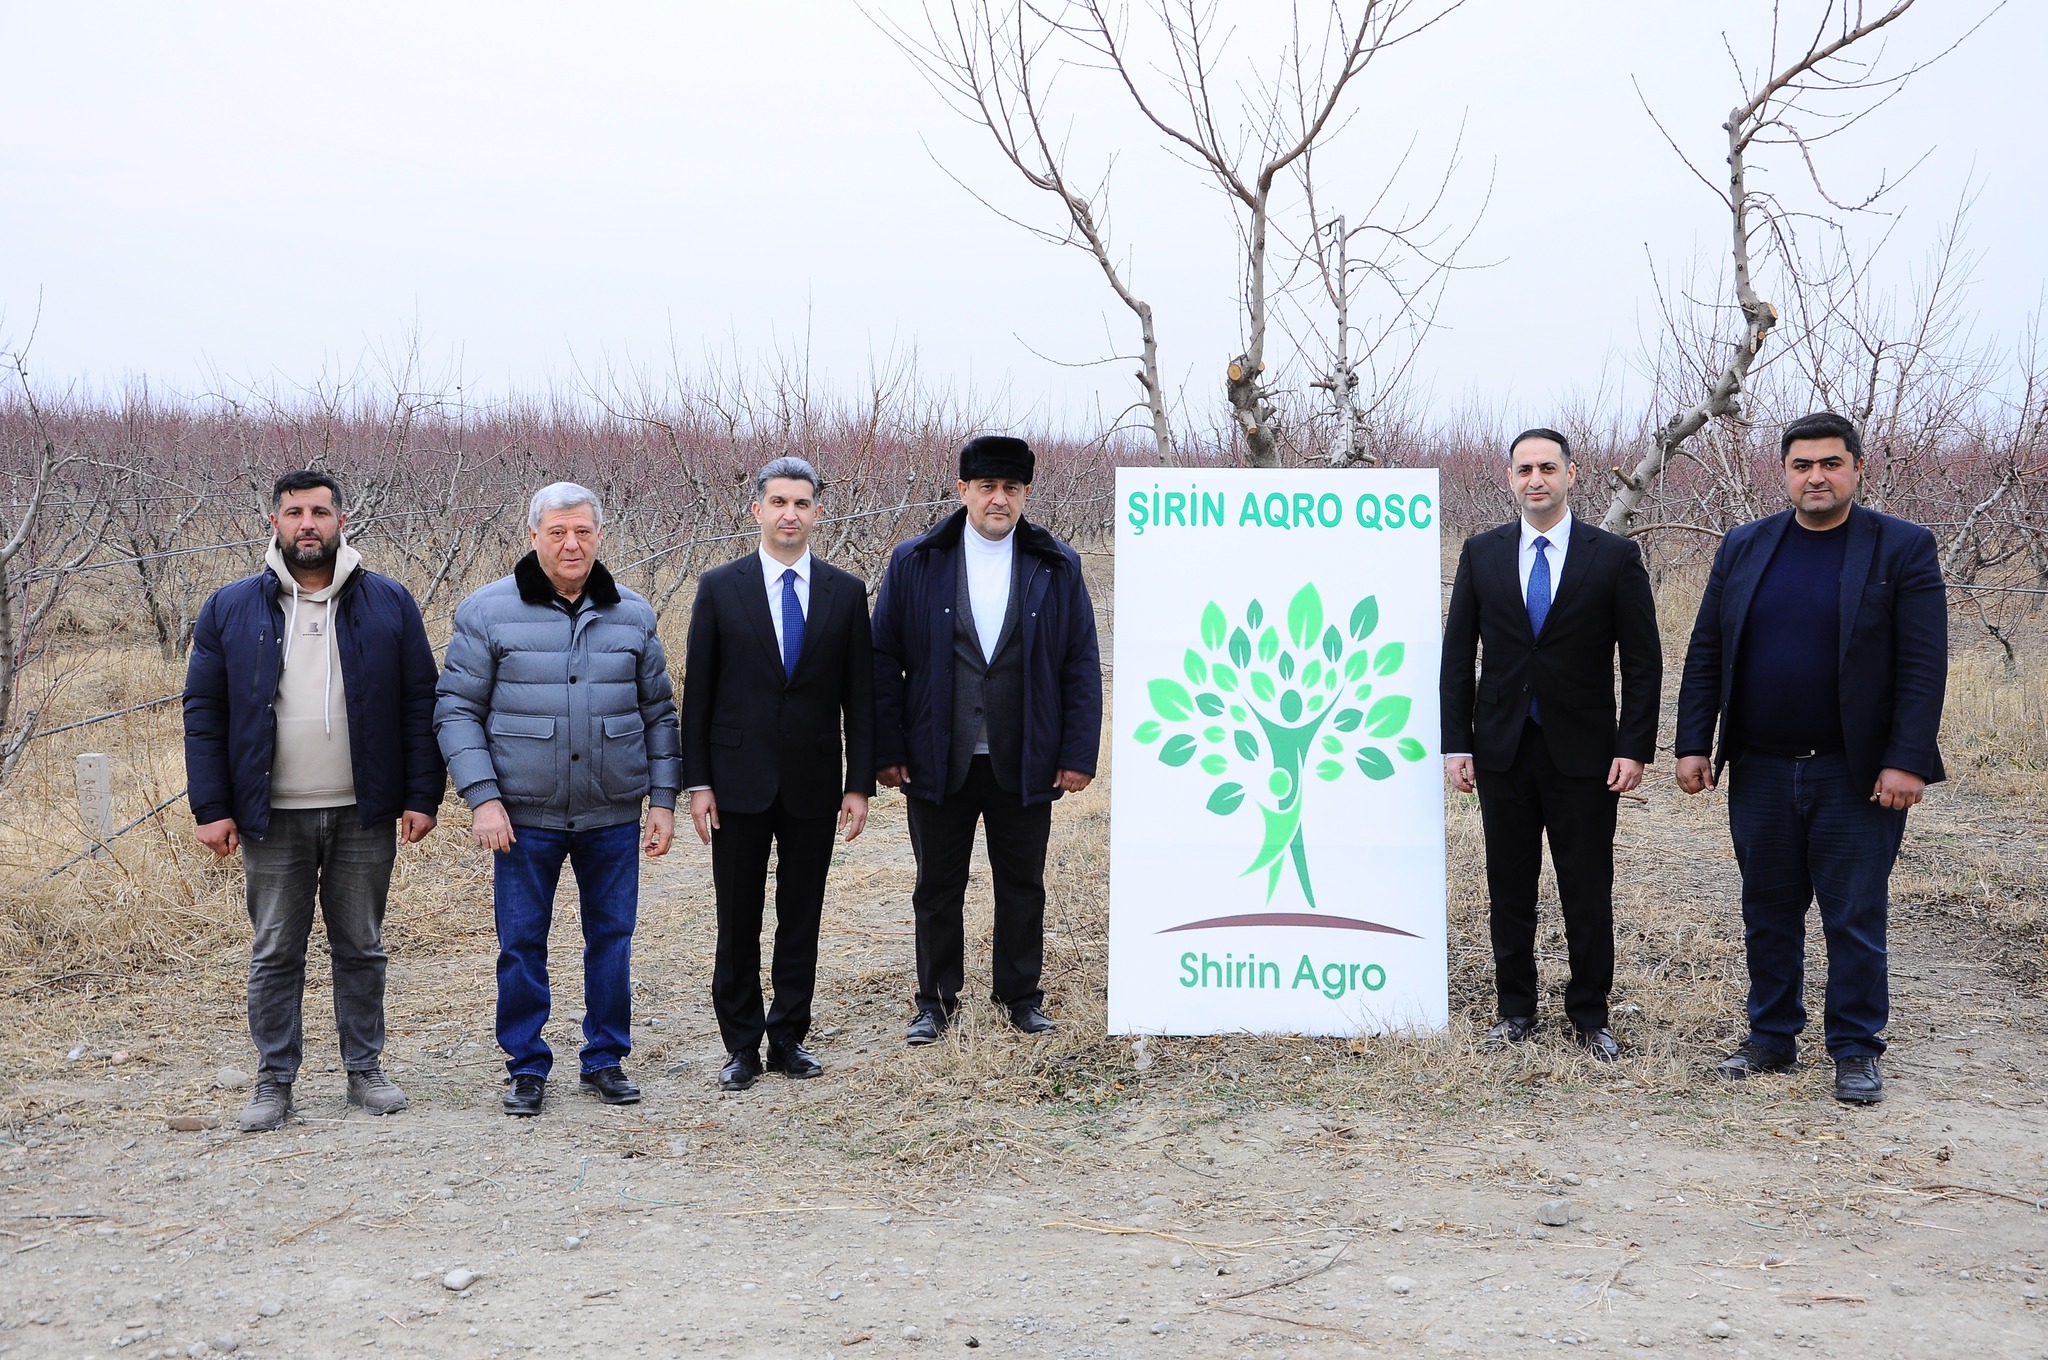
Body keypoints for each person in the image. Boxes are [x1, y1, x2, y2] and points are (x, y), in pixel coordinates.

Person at [1675, 411, 1946, 1105]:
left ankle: (1855, 1048)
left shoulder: (1901, 547)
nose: (1816, 477)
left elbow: (1923, 666)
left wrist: (1907, 760)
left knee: (1853, 914)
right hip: (1760, 766)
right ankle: (1771, 1037)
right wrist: (1692, 743)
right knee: (1767, 909)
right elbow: (1707, 650)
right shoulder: (1745, 545)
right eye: (1802, 465)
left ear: (1858, 468)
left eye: (1830, 463)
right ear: (1785, 473)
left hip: (1854, 773)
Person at [184, 469, 444, 1132]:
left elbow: (420, 702)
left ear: (341, 522)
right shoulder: (230, 608)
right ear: (274, 521)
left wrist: (422, 793)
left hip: (364, 808)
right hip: (270, 814)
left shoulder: (388, 602)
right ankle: (274, 1079)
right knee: (276, 950)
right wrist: (211, 806)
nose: (308, 524)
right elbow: (204, 712)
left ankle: (365, 1070)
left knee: (361, 944)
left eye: (320, 512)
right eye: (295, 512)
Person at [435, 482, 680, 1117]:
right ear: (533, 536)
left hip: (612, 811)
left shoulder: (633, 613)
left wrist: (662, 799)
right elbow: (456, 711)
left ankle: (605, 1058)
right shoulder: (487, 612)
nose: (572, 545)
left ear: (599, 536)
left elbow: (658, 713)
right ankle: (525, 1066)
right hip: (523, 816)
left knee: (613, 938)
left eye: (583, 532)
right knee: (521, 943)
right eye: (557, 533)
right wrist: (483, 798)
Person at [1440, 428, 1661, 1061]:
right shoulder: (1481, 553)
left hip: (1585, 755)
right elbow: (1458, 656)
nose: (1535, 479)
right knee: (1509, 886)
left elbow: (1642, 661)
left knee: (1586, 889)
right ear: (1510, 478)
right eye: (1524, 469)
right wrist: (1457, 744)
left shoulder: (1613, 556)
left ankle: (1590, 1015)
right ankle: (1515, 1011)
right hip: (1502, 750)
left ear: (1571, 474)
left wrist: (1633, 746)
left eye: (1547, 468)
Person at [872, 435, 1102, 1044]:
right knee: (936, 886)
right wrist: (887, 749)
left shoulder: (1056, 564)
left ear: (1025, 493)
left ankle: (1020, 996)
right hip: (935, 755)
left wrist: (1077, 752)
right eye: (987, 487)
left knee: (1022, 884)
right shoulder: (916, 560)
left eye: (1011, 488)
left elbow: (1080, 662)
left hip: (1024, 756)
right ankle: (935, 1001)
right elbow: (882, 659)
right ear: (963, 490)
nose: (999, 499)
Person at [680, 456, 876, 1092]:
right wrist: (698, 782)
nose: (790, 514)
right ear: (757, 510)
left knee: (801, 914)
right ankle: (741, 1044)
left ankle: (789, 1034)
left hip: (814, 782)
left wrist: (858, 783)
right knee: (737, 916)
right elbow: (698, 694)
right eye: (779, 502)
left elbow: (861, 697)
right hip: (736, 782)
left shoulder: (845, 592)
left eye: (802, 503)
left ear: (817, 512)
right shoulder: (720, 587)